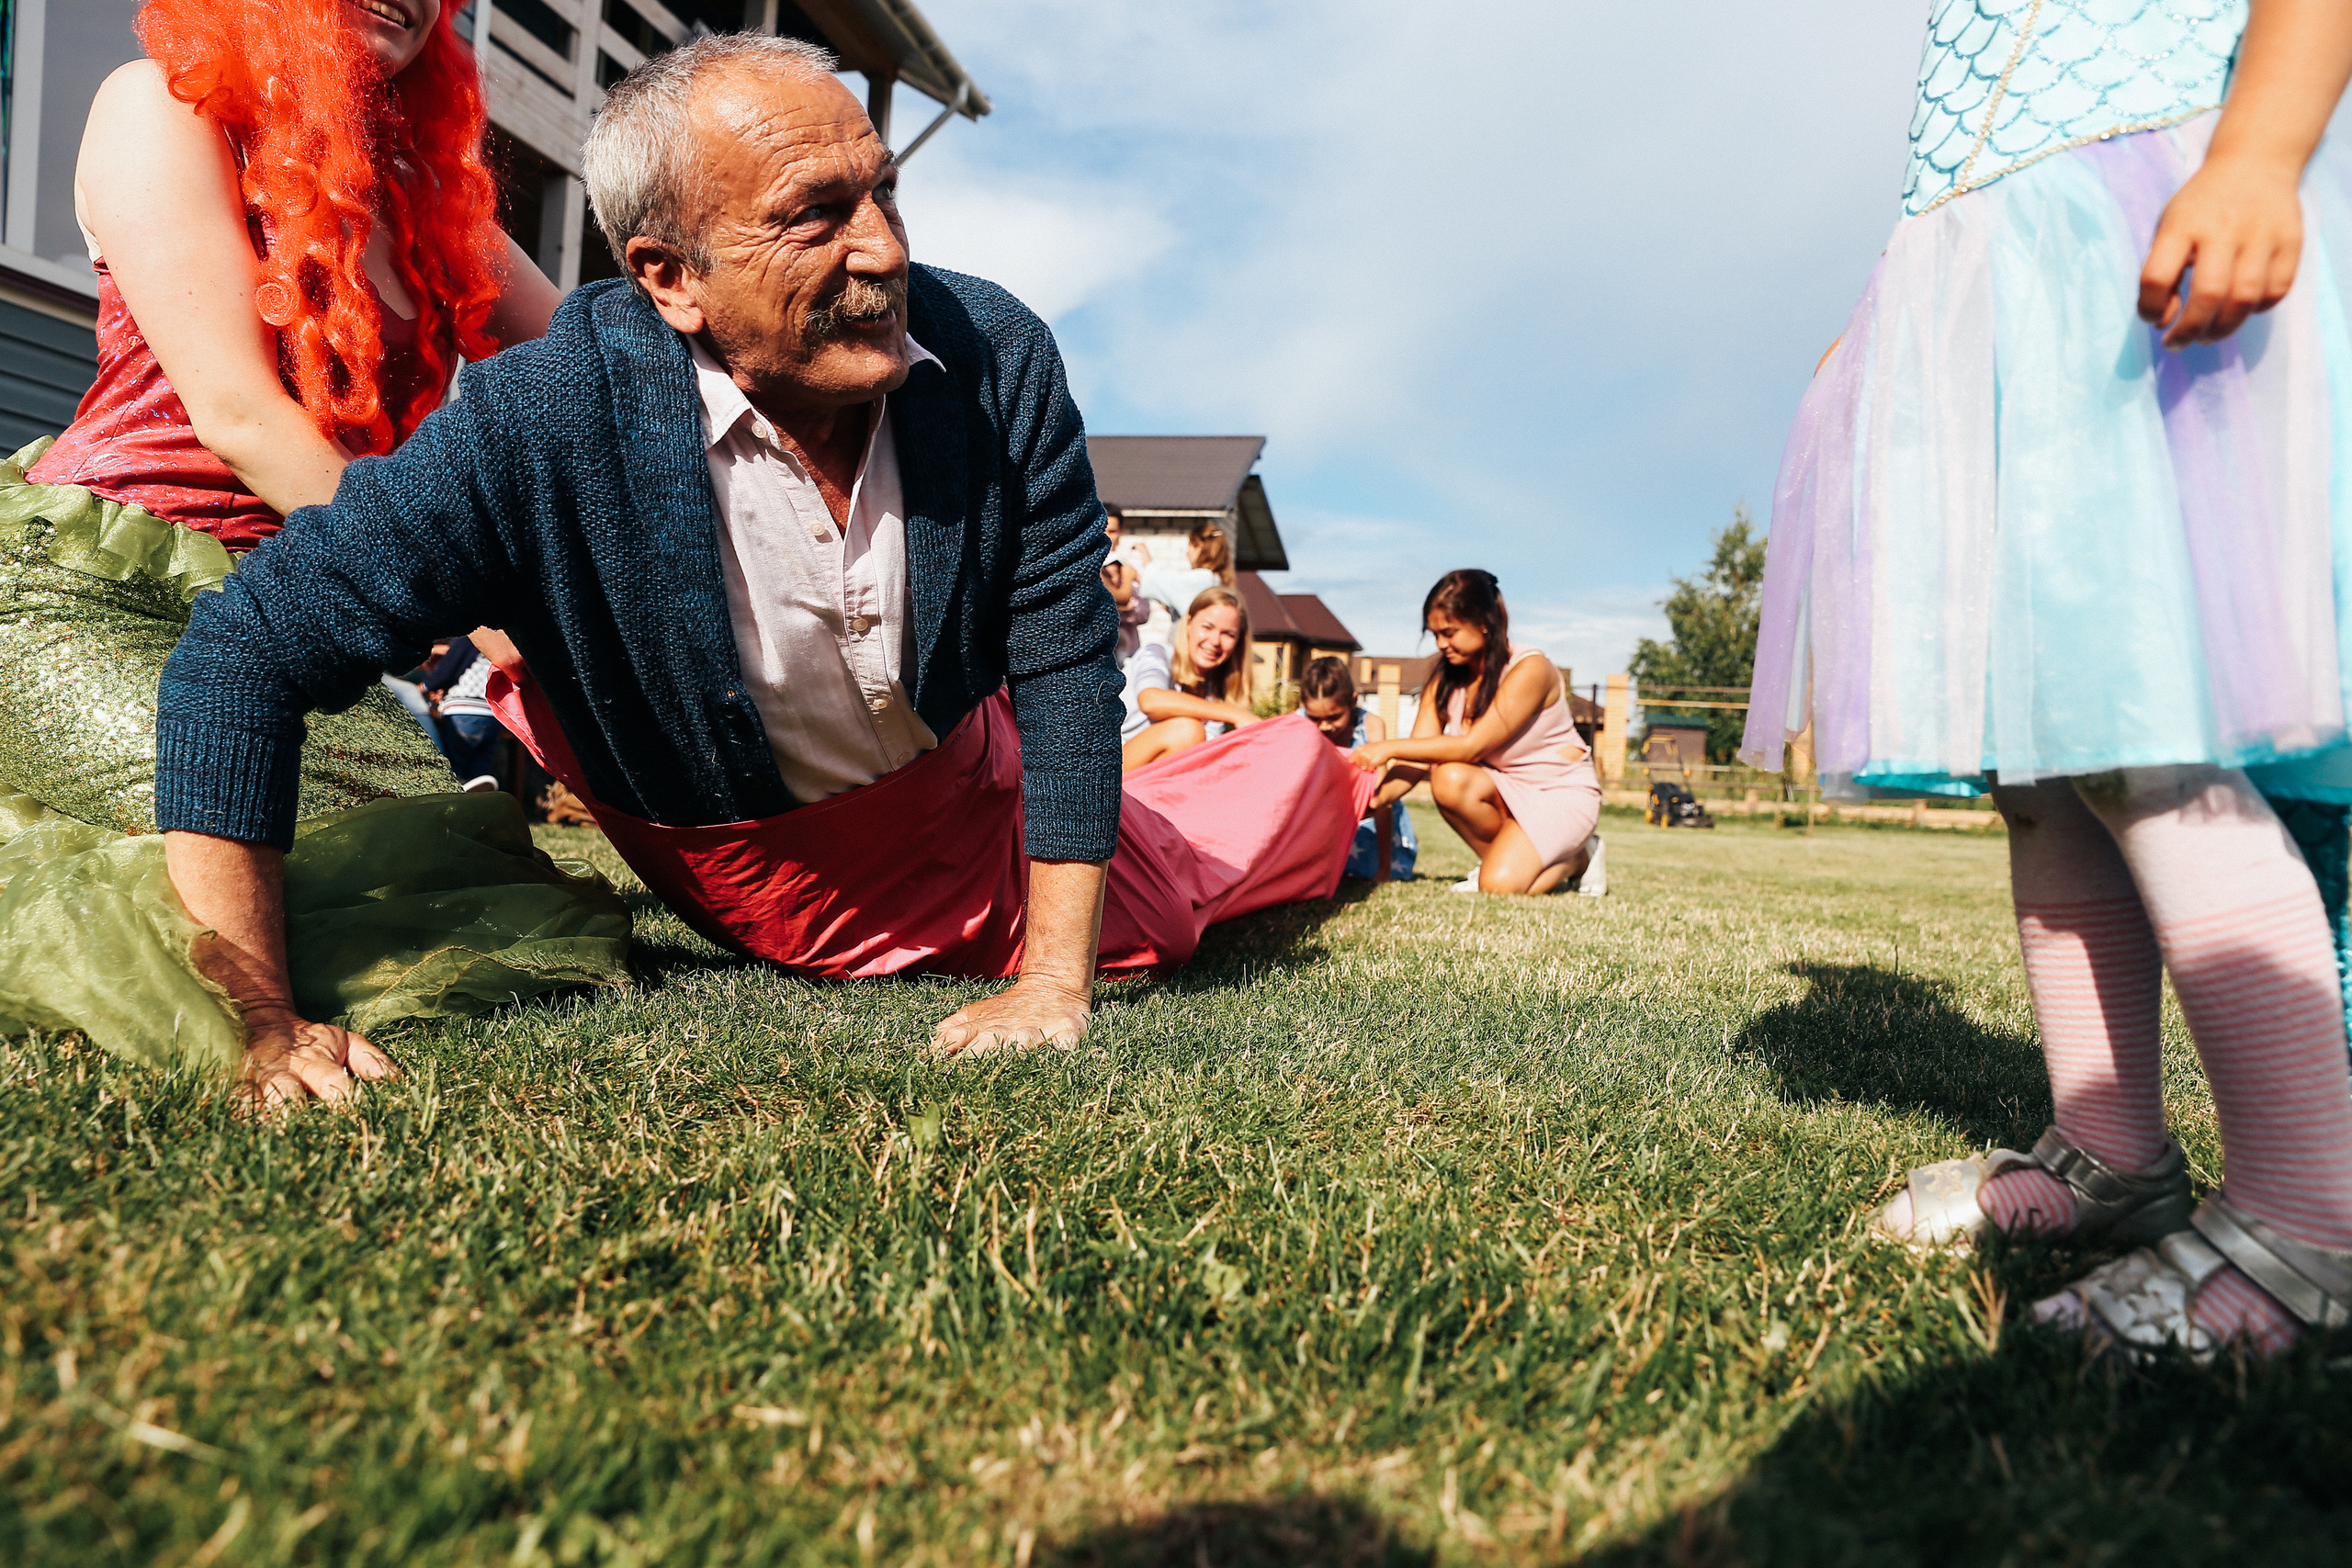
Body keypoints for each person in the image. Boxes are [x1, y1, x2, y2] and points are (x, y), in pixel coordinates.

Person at [144, 34, 1378, 1097]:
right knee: (1212, 817)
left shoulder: (997, 355)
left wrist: (1055, 978)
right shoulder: (538, 426)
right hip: (763, 883)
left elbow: (1062, 663)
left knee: (1240, 838)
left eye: (883, 195)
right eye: (815, 217)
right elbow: (241, 659)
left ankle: (1323, 778)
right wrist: (265, 1020)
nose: (885, 252)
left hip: (983, 809)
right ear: (669, 278)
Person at [1743, 0, 2352, 1357]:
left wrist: (2261, 150)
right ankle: (2108, 1149)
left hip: (2135, 233)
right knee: (2049, 756)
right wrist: (1900, 313)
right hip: (1989, 268)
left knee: (2146, 729)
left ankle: (2313, 1221)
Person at [0, 0, 628, 1098]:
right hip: (85, 587)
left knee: (447, 868)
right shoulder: (161, 109)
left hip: (288, 622)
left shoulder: (426, 200)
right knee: (290, 888)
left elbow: (602, 366)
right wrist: (474, 610)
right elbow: (238, 416)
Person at [1350, 570, 1602, 897]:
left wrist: (1385, 748)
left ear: (1484, 622)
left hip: (1558, 792)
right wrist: (1368, 803)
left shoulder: (1531, 669)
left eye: (1449, 632)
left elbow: (1471, 746)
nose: (1441, 643)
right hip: (1504, 788)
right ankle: (1512, 861)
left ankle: (1578, 859)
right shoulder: (1445, 678)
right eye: (1435, 634)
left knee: (1497, 886)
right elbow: (1420, 759)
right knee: (1448, 778)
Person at [1301, 656, 1417, 882]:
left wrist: (1384, 868)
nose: (1325, 726)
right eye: (1315, 718)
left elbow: (1381, 792)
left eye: (1334, 717)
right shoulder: (1299, 723)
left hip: (1367, 818)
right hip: (1322, 817)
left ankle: (1383, 866)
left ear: (1353, 702)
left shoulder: (1371, 726)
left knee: (1382, 798)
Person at [1122, 585, 1258, 770]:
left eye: (1228, 634)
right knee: (1187, 730)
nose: (1215, 641)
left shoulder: (1213, 693)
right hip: (1103, 770)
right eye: (1207, 627)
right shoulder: (1157, 654)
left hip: (1149, 784)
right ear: (1188, 623)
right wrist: (1234, 713)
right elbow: (1151, 702)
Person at [417, 635, 505, 791]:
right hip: (493, 714)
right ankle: (479, 807)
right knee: (479, 774)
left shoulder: (470, 638)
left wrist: (423, 687)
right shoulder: (499, 643)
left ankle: (455, 804)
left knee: (454, 769)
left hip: (464, 711)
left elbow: (446, 671)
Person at [1136, 517, 1237, 626]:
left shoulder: (1203, 578)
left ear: (1201, 547)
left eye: (1191, 545)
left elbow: (1161, 582)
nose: (1187, 552)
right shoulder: (1216, 579)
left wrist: (1142, 557)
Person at [1101, 504, 1150, 666]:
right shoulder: (1089, 568)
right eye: (1103, 531)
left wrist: (1126, 611)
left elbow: (1144, 612)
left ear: (1121, 531)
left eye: (1113, 531)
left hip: (1129, 655)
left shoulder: (1129, 568)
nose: (1107, 537)